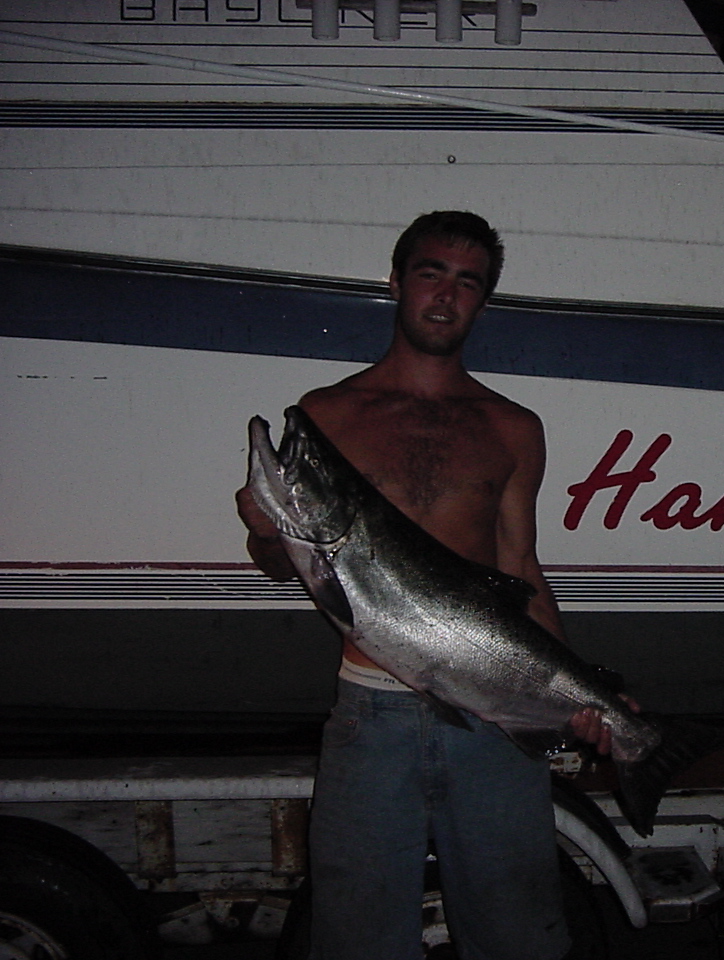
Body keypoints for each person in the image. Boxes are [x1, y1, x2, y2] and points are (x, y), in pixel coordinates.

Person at [235, 211, 614, 960]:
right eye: (431, 274)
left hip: (493, 716)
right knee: (357, 940)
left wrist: (581, 694)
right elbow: (287, 565)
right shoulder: (328, 414)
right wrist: (266, 531)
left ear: (483, 302)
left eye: (468, 283)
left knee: (518, 936)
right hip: (369, 717)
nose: (446, 295)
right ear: (396, 283)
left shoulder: (513, 427)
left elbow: (521, 569)